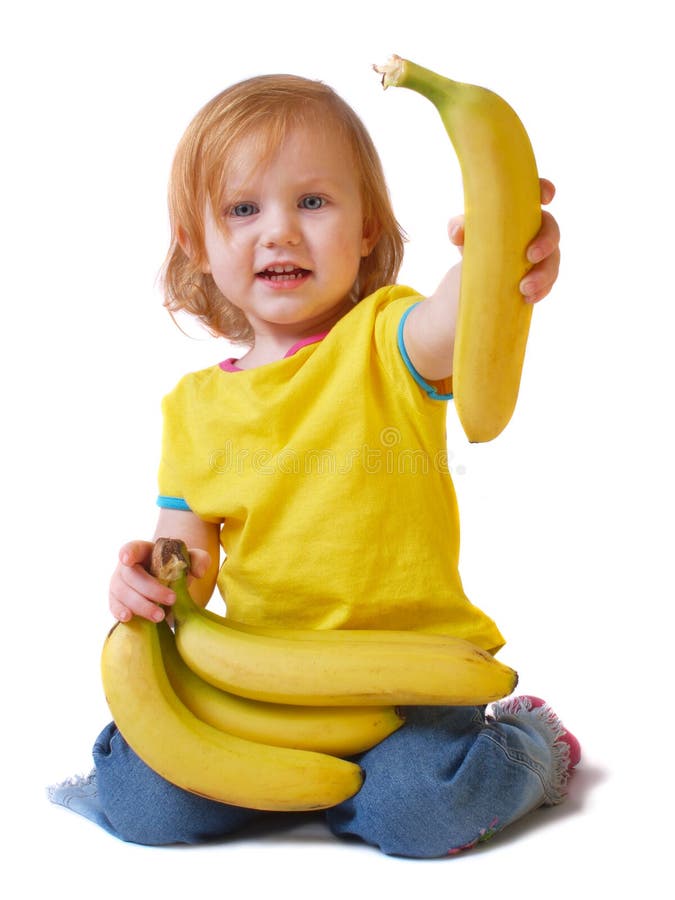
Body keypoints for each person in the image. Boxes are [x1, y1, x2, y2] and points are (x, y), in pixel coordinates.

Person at [49, 72, 578, 858]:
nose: (280, 232)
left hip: (407, 690)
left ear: (367, 228)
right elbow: (186, 562)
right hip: (262, 689)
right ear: (197, 242)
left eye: (313, 202)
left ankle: (526, 745)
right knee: (145, 805)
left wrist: (499, 252)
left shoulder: (384, 340)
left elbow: (456, 320)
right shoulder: (192, 409)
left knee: (419, 812)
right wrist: (150, 576)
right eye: (242, 209)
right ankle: (307, 787)